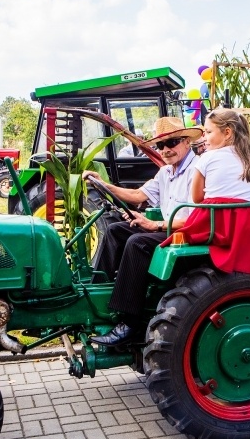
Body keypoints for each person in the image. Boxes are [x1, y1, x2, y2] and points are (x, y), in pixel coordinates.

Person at [83, 117, 203, 346]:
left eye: (173, 142)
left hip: (185, 232)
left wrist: (153, 224)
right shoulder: (166, 172)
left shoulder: (196, 171)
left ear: (187, 142)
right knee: (116, 230)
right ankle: (97, 296)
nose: (166, 150)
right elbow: (138, 196)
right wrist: (104, 185)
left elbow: (193, 218)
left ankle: (130, 322)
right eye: (161, 146)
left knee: (137, 243)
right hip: (168, 228)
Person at [164, 108, 250, 275]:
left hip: (216, 224)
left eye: (207, 132)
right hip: (248, 227)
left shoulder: (206, 158)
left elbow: (197, 198)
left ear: (227, 132)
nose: (204, 137)